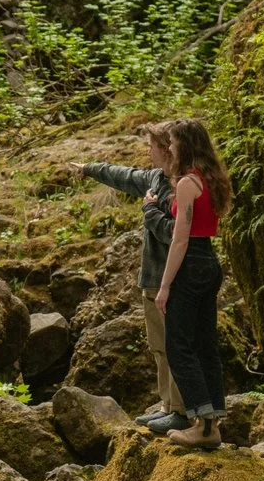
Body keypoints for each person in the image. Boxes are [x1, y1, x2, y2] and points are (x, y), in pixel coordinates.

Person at [76, 125, 187, 432]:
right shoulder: (154, 178)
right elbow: (125, 176)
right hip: (152, 278)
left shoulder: (181, 187)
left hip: (173, 279)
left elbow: (177, 234)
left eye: (151, 146)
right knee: (159, 345)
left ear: (166, 149)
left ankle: (182, 410)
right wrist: (90, 169)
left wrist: (150, 211)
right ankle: (168, 406)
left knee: (176, 345)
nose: (147, 151)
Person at [154, 117, 233, 449]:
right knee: (204, 344)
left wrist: (165, 286)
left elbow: (180, 240)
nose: (169, 147)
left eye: (172, 142)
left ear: (184, 144)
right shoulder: (211, 180)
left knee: (178, 345)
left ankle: (201, 427)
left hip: (192, 263)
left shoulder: (187, 183)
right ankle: (211, 423)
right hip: (210, 262)